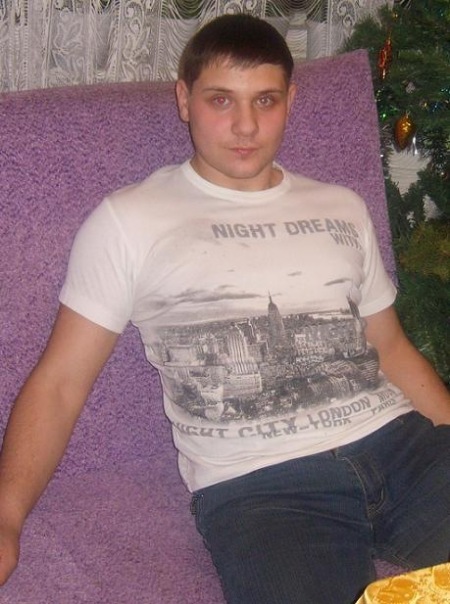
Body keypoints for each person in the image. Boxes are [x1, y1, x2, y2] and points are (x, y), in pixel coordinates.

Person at [0, 13, 449, 604]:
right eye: (221, 100)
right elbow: (60, 383)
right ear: (184, 100)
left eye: (265, 100)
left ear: (290, 101)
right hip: (265, 489)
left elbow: (389, 347)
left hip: (403, 448)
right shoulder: (128, 221)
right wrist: (6, 516)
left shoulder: (342, 206)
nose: (245, 126)